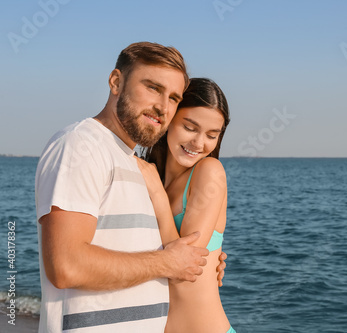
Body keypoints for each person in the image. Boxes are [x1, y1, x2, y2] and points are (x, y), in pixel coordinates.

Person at [35, 42, 227, 333]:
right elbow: (67, 265)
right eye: (152, 88)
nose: (162, 106)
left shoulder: (136, 165)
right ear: (115, 82)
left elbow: (177, 258)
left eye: (173, 97)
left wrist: (212, 255)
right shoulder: (82, 146)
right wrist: (166, 262)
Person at [136, 78, 235, 332]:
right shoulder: (148, 176)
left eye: (212, 135)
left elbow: (184, 266)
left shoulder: (209, 172)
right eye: (190, 128)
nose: (199, 143)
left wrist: (158, 196)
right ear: (169, 119)